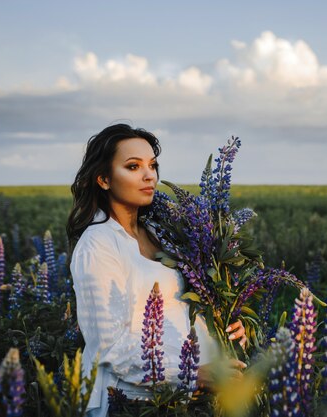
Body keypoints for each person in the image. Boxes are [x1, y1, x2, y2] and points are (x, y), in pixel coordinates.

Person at [66, 123, 246, 417]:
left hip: (190, 398)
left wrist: (226, 325)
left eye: (152, 165)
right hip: (133, 403)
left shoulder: (157, 233)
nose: (149, 175)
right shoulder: (98, 245)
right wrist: (191, 374)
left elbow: (184, 305)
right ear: (103, 179)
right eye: (133, 166)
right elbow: (109, 347)